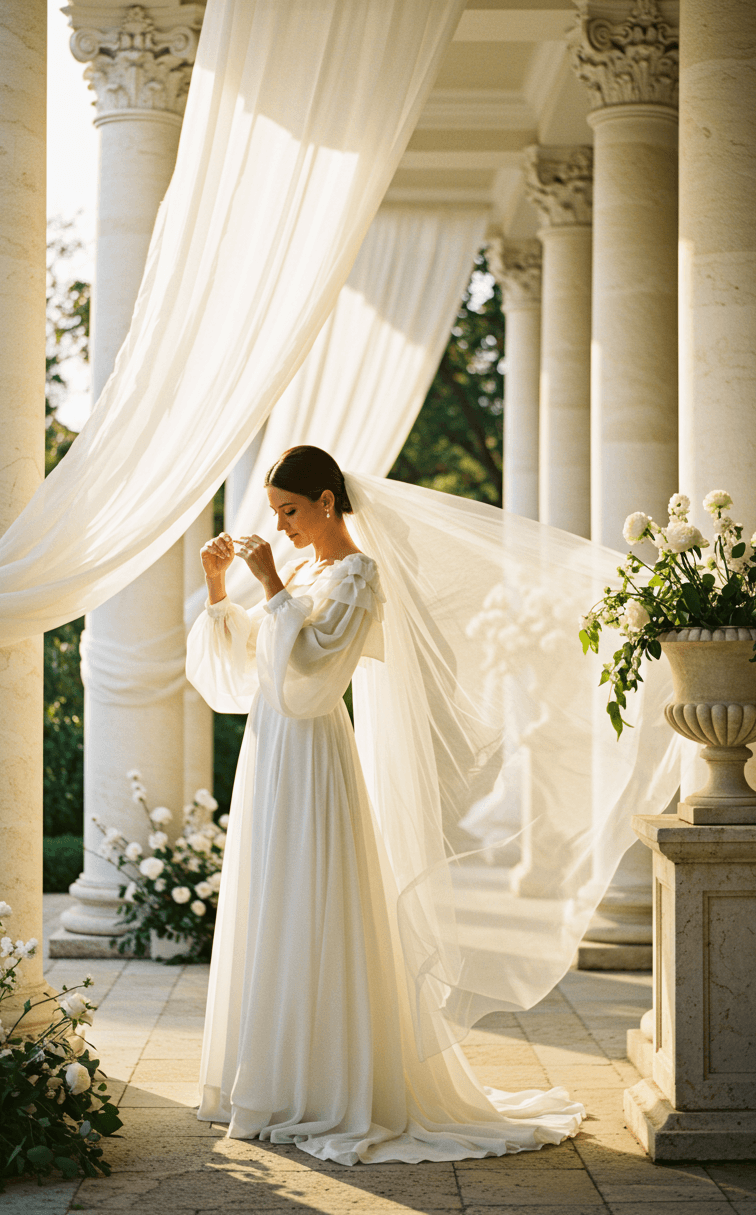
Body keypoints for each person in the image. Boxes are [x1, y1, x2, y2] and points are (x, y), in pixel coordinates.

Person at [185, 445, 590, 1165]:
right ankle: (270, 1079)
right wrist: (221, 589)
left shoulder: (357, 573)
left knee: (314, 900)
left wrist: (271, 585)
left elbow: (311, 677)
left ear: (328, 502)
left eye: (290, 511)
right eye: (274, 514)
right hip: (270, 750)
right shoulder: (306, 569)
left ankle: (325, 1085)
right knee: (270, 898)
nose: (280, 528)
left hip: (313, 753)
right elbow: (248, 671)